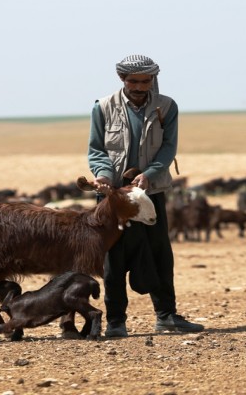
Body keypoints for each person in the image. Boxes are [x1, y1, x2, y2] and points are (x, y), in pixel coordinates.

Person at [87, 54, 204, 337]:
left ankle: (167, 316)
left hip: (152, 192)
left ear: (153, 79)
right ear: (122, 79)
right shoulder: (103, 107)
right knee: (113, 258)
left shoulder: (166, 106)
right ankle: (116, 322)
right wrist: (102, 174)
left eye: (146, 81)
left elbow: (168, 148)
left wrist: (149, 174)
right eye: (134, 81)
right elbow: (97, 150)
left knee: (159, 253)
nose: (140, 87)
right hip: (113, 197)